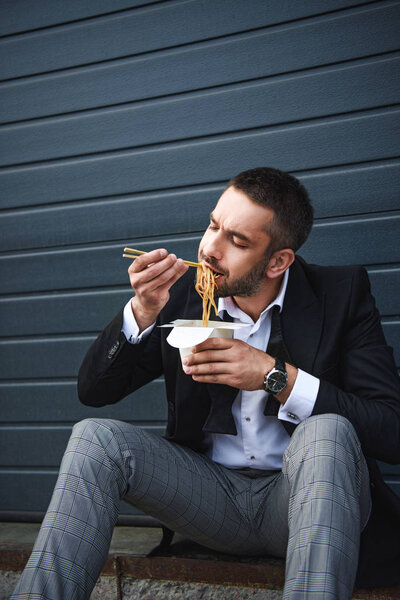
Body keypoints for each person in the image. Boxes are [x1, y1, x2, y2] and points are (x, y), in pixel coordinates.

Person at [12, 167, 400, 599]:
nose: (210, 248)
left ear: (278, 261)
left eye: (236, 240)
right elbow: (94, 392)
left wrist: (275, 377)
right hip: (211, 499)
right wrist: (141, 311)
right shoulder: (184, 295)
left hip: (303, 502)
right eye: (214, 225)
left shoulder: (341, 293)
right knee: (93, 439)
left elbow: (391, 431)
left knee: (327, 432)